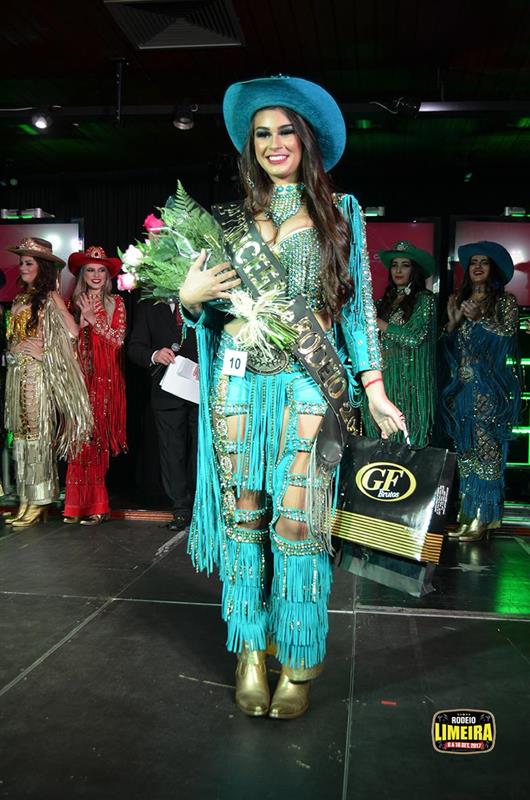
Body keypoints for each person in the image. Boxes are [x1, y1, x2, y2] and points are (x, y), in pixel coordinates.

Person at [177, 76, 405, 719]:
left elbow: (356, 310)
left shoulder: (342, 212)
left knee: (299, 522)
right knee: (244, 517)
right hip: (238, 383)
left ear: (306, 140)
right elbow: (212, 309)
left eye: (285, 131)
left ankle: (299, 656)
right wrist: (190, 301)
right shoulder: (230, 223)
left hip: (309, 383)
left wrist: (374, 388)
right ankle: (251, 650)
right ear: (250, 146)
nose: (274, 143)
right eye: (262, 134)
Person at [4, 237, 92, 528]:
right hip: (17, 375)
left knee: (36, 436)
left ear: (41, 267)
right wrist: (16, 350)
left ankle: (40, 499)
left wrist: (46, 353)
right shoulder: (20, 299)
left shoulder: (50, 298)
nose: (23, 267)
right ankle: (26, 501)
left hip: (37, 377)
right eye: (21, 263)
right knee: (20, 436)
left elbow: (73, 333)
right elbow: (14, 338)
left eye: (28, 263)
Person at [441, 240, 520, 542]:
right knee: (466, 452)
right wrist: (452, 324)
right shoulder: (461, 300)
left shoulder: (505, 302)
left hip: (489, 389)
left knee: (487, 451)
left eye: (483, 262)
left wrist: (479, 319)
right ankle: (468, 515)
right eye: (473, 262)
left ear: (493, 269)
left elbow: (508, 336)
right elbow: (451, 347)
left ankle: (485, 517)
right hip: (462, 389)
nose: (477, 267)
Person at [63, 246, 127, 525]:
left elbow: (118, 341)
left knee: (97, 440)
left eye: (101, 270)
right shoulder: (71, 303)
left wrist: (95, 321)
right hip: (79, 379)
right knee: (78, 440)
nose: (96, 275)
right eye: (90, 269)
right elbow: (67, 344)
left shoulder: (117, 303)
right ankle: (76, 507)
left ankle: (98, 506)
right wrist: (81, 321)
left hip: (105, 381)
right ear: (83, 274)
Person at [127, 297, 198, 532]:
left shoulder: (202, 302)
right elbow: (135, 348)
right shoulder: (149, 306)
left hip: (201, 391)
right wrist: (155, 354)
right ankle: (181, 509)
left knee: (200, 451)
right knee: (172, 452)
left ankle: (201, 505)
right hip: (166, 393)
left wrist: (210, 364)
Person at [363, 241, 437, 447]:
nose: (398, 270)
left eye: (405, 265)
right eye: (394, 265)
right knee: (380, 443)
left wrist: (380, 324)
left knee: (407, 442)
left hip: (409, 384)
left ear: (414, 270)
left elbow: (414, 338)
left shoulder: (424, 299)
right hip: (382, 381)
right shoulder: (381, 303)